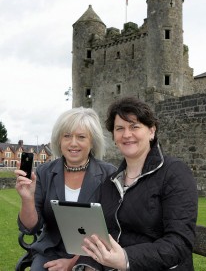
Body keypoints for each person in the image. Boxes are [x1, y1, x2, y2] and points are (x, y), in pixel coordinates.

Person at [73, 97, 198, 271]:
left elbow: (179, 243)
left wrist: (126, 259)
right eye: (119, 128)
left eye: (135, 126)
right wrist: (89, 265)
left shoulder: (174, 173)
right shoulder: (110, 183)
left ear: (151, 131)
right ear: (114, 137)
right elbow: (102, 236)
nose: (126, 134)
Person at [15, 107, 117, 271]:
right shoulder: (44, 172)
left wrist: (73, 262)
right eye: (67, 136)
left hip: (93, 255)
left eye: (81, 137)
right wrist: (27, 199)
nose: (73, 143)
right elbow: (31, 227)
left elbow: (111, 226)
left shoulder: (108, 174)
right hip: (50, 252)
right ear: (59, 141)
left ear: (92, 142)